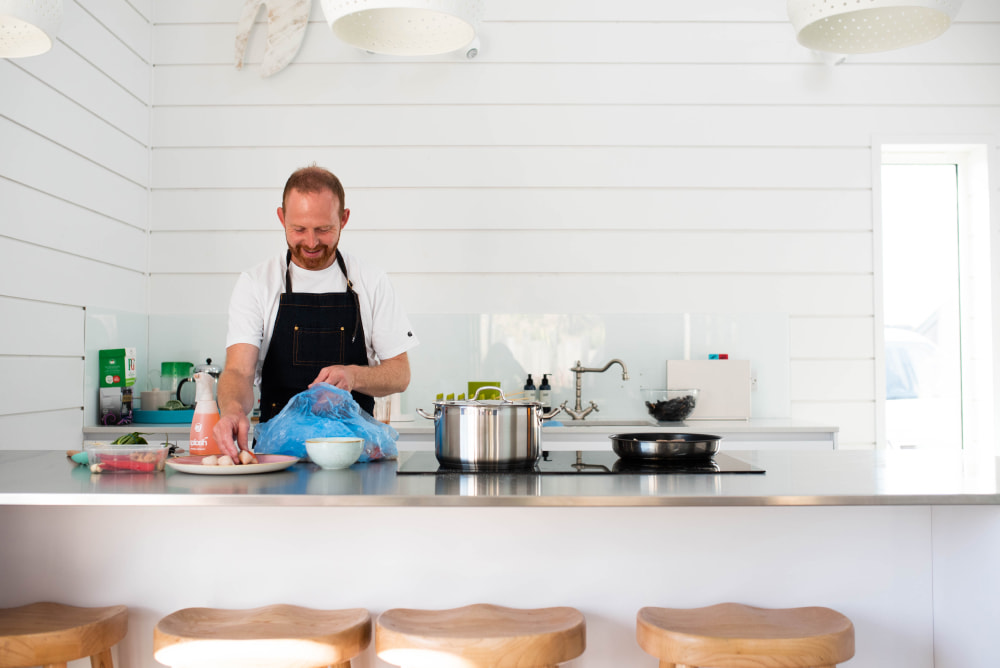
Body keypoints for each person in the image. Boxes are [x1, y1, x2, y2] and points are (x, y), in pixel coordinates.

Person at [214, 165, 418, 459]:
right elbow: (238, 370)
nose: (311, 242)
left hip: (357, 462)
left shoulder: (371, 281)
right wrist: (232, 410)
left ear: (344, 219)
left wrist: (354, 376)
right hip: (277, 462)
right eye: (298, 229)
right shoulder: (257, 283)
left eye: (323, 229)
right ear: (282, 218)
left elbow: (400, 374)